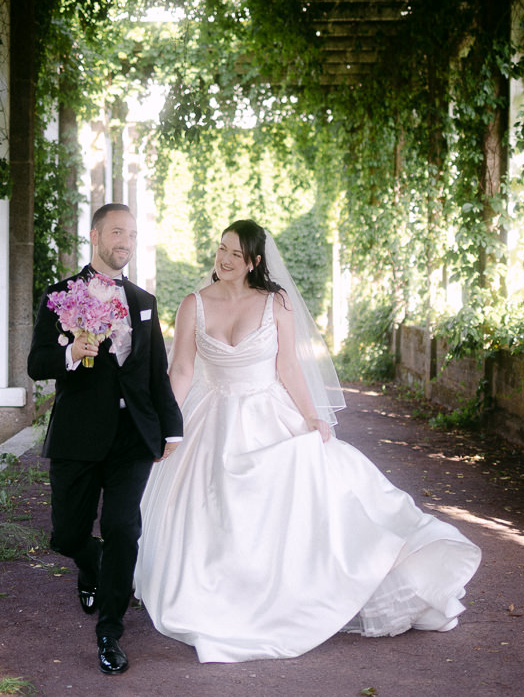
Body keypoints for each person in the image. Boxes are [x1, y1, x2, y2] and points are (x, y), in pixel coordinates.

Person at [134, 219, 482, 663]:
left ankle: (295, 592)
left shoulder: (275, 303)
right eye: (222, 249)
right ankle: (217, 594)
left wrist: (313, 417)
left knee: (303, 505)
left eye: (235, 254)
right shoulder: (193, 304)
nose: (223, 259)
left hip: (267, 415)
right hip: (210, 417)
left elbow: (289, 369)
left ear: (254, 261)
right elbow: (181, 371)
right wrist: (169, 425)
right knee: (209, 508)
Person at [28, 203, 184, 675]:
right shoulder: (60, 295)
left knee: (123, 526)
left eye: (133, 234)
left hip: (131, 436)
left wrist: (170, 426)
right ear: (94, 236)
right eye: (118, 232)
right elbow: (37, 364)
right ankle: (88, 560)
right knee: (68, 533)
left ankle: (110, 631)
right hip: (78, 434)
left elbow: (155, 372)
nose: (126, 242)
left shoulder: (143, 301)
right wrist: (71, 351)